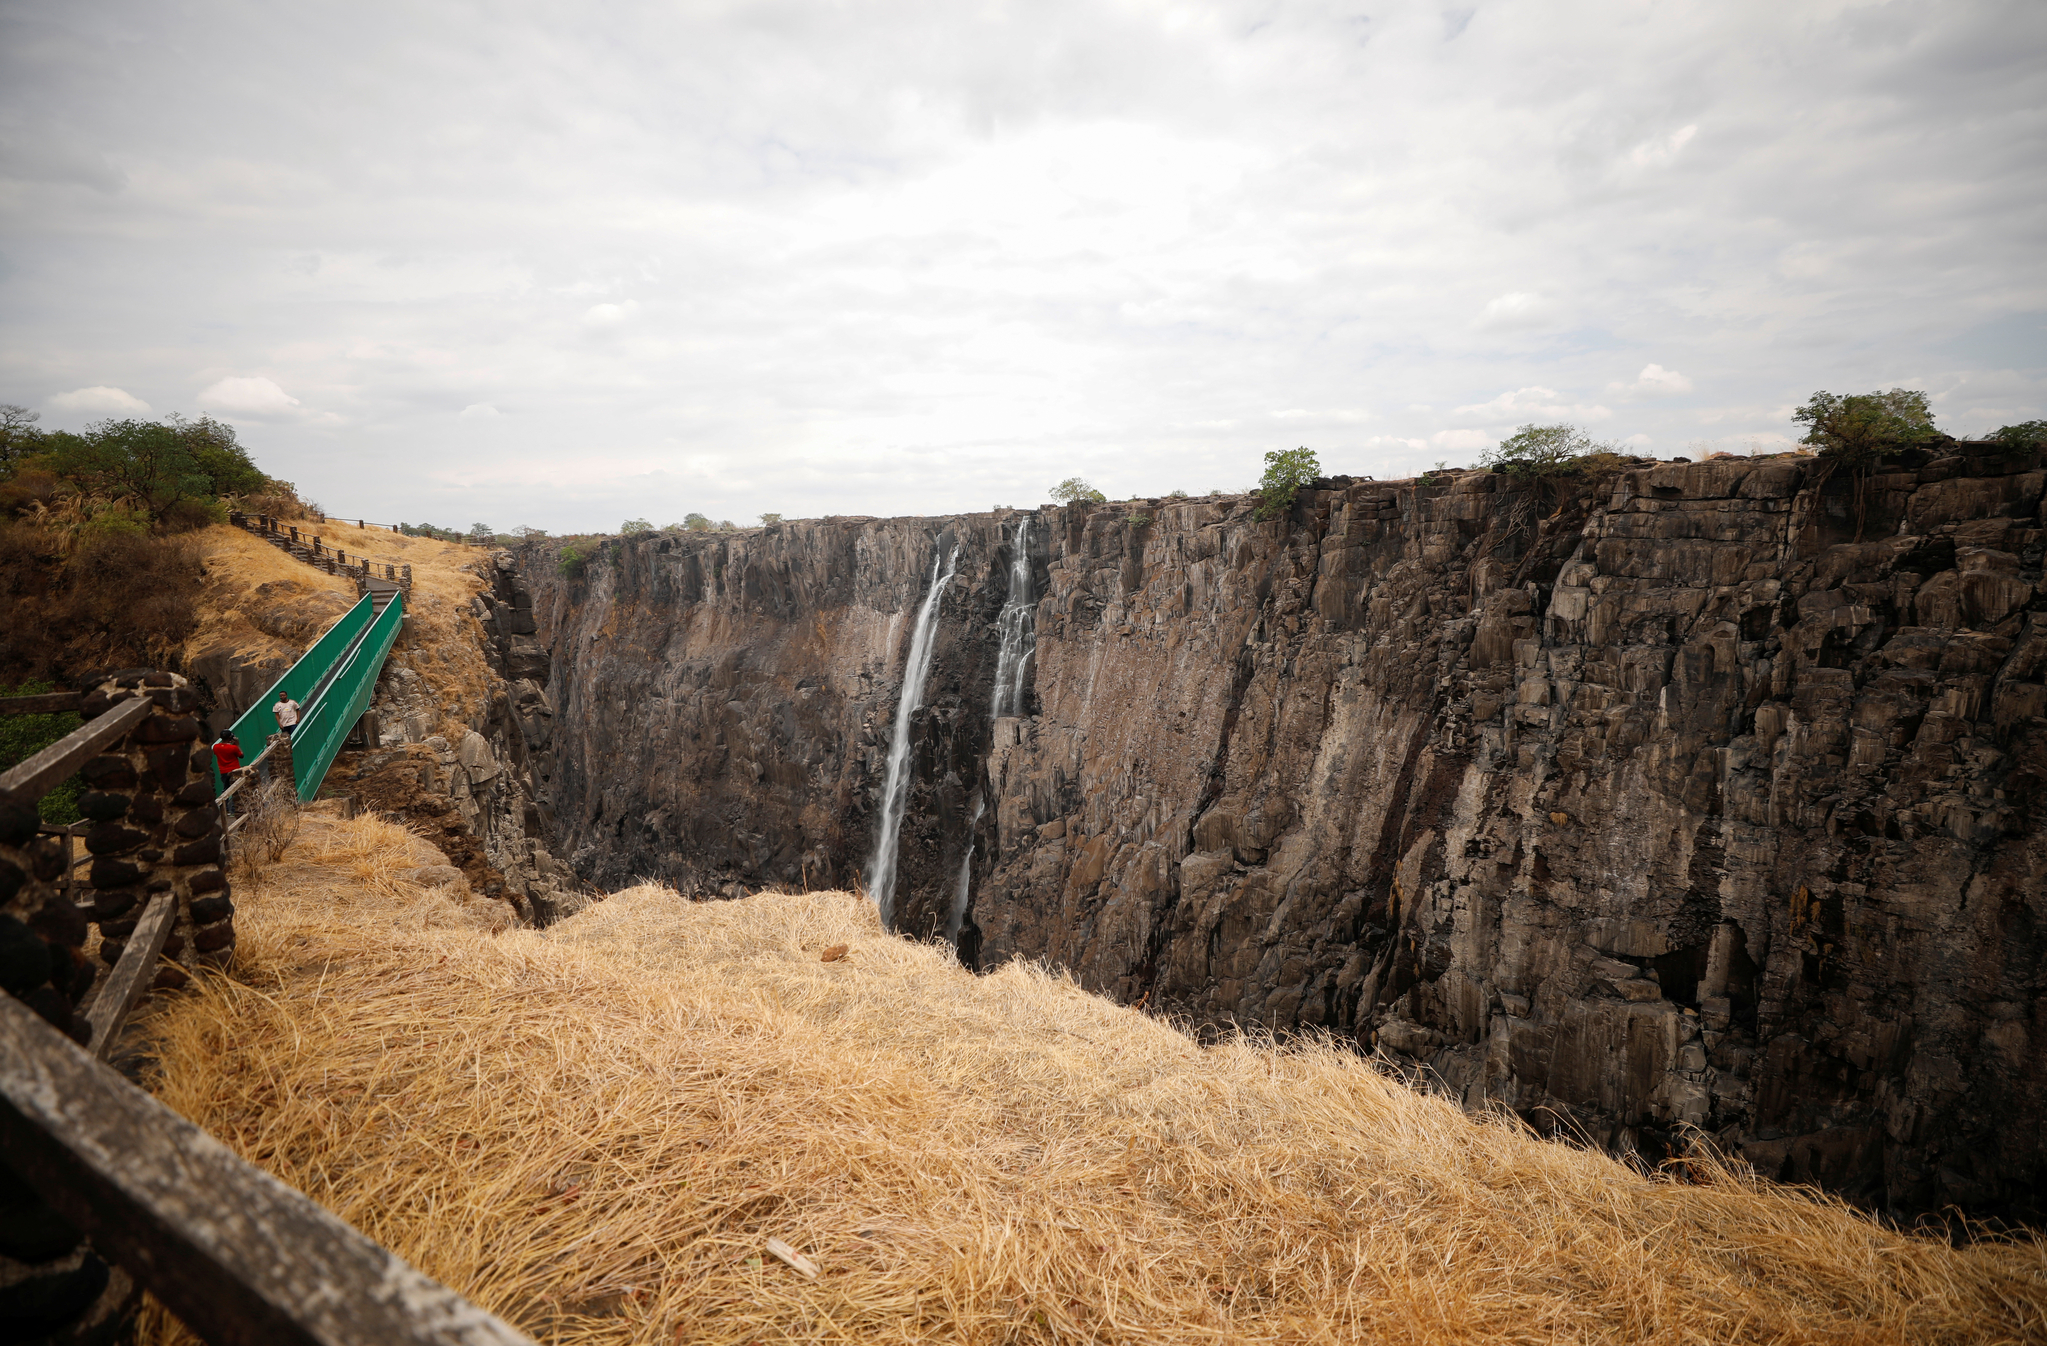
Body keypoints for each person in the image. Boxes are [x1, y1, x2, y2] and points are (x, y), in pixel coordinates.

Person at [211, 730, 244, 812]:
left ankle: (225, 809)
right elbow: (241, 755)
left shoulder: (216, 747)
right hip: (234, 770)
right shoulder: (233, 748)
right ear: (230, 737)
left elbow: (221, 751)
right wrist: (237, 744)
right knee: (236, 790)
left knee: (225, 789)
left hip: (224, 772)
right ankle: (234, 809)